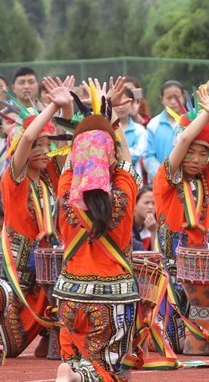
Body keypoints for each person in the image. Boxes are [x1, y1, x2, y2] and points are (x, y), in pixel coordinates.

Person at [53, 79, 141, 382]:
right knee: (110, 371)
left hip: (69, 295)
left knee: (77, 356)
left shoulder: (65, 192)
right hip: (111, 295)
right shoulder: (124, 193)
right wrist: (111, 116)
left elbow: (69, 164)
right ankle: (78, 377)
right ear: (111, 157)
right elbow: (126, 159)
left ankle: (71, 370)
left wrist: (89, 120)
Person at [0, 77, 75, 359]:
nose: (42, 151)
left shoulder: (52, 177)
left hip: (47, 263)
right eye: (37, 147)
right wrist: (50, 107)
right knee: (9, 347)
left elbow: (67, 144)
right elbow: (26, 137)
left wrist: (68, 108)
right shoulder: (15, 179)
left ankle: (50, 342)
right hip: (17, 264)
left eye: (46, 146)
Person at [154, 83, 209, 258]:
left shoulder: (206, 180)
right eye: (190, 153)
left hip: (198, 261)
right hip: (169, 262)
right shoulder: (167, 176)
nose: (197, 160)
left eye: (203, 154)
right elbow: (185, 139)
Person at [140, 80, 186, 181]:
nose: (173, 102)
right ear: (162, 100)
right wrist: (164, 176)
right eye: (169, 98)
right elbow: (148, 156)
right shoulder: (153, 124)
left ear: (183, 97)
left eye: (177, 97)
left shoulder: (192, 123)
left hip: (187, 182)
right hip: (160, 182)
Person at [114, 88, 147, 172]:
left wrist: (115, 152)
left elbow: (137, 154)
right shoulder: (106, 129)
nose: (121, 106)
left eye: (125, 102)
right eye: (117, 102)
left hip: (132, 179)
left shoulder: (139, 130)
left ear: (132, 104)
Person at [132, 187, 159, 251]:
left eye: (153, 203)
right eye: (146, 203)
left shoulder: (154, 225)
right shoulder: (128, 225)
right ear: (135, 204)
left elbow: (156, 256)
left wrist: (153, 231)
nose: (150, 207)